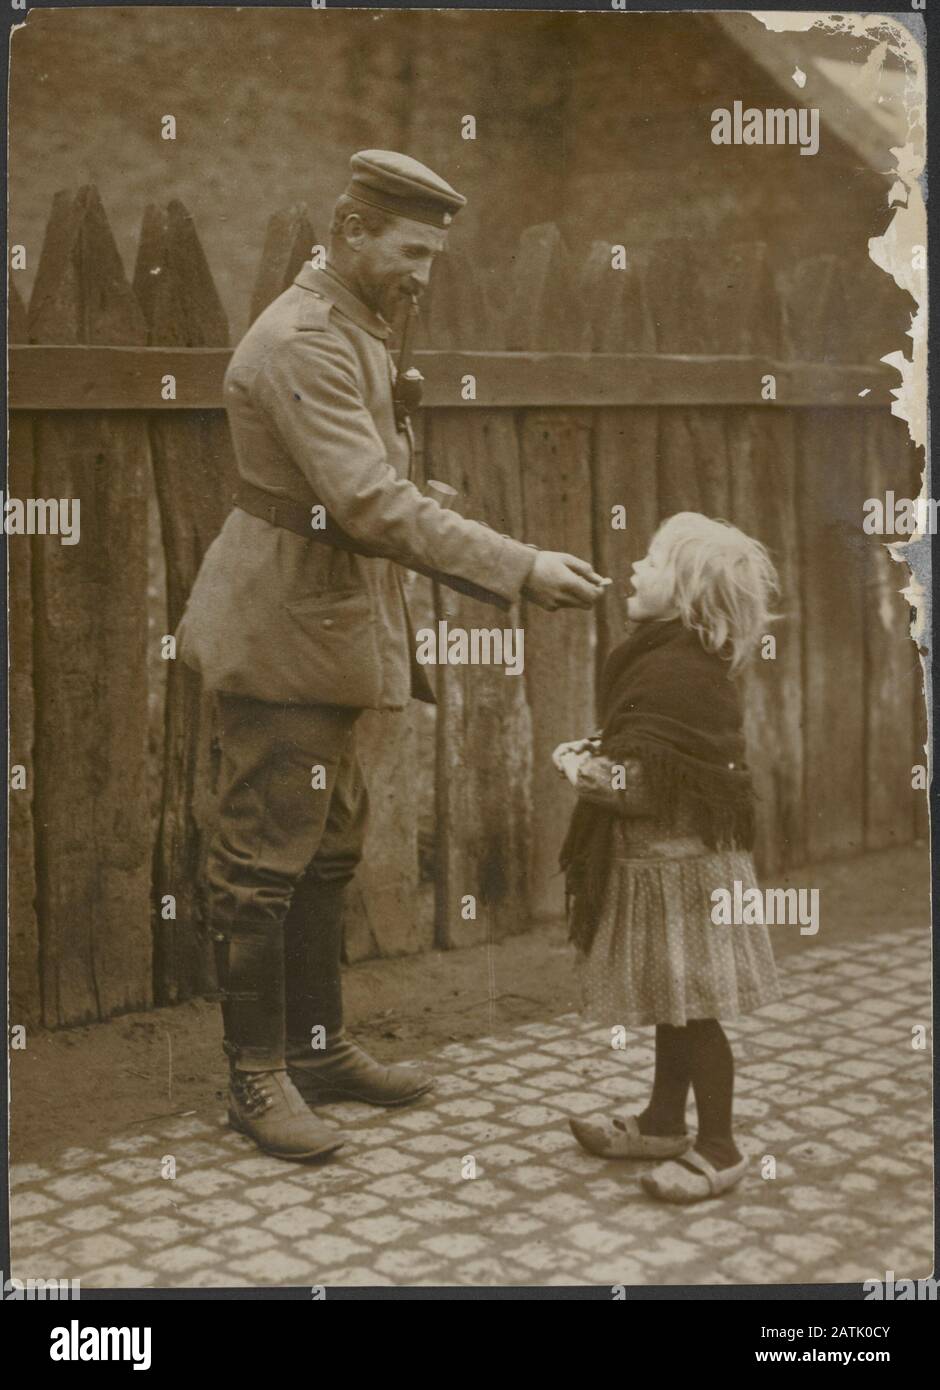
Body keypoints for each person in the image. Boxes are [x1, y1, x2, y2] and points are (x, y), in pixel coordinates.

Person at [176, 149, 605, 1162]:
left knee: (324, 851)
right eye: (411, 250)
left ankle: (318, 1052)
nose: (423, 273)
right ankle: (255, 1077)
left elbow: (351, 483)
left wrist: (432, 511)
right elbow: (364, 504)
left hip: (332, 627)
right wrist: (518, 565)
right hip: (282, 634)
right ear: (353, 228)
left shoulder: (358, 326)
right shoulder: (303, 340)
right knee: (259, 865)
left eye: (432, 255)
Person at [554, 512, 781, 1203]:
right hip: (663, 871)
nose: (632, 569)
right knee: (672, 1004)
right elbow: (648, 751)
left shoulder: (678, 674)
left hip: (685, 877)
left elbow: (646, 783)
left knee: (695, 1011)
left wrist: (578, 768)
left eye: (650, 563)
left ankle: (719, 1147)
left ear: (682, 594)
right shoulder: (662, 661)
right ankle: (660, 1122)